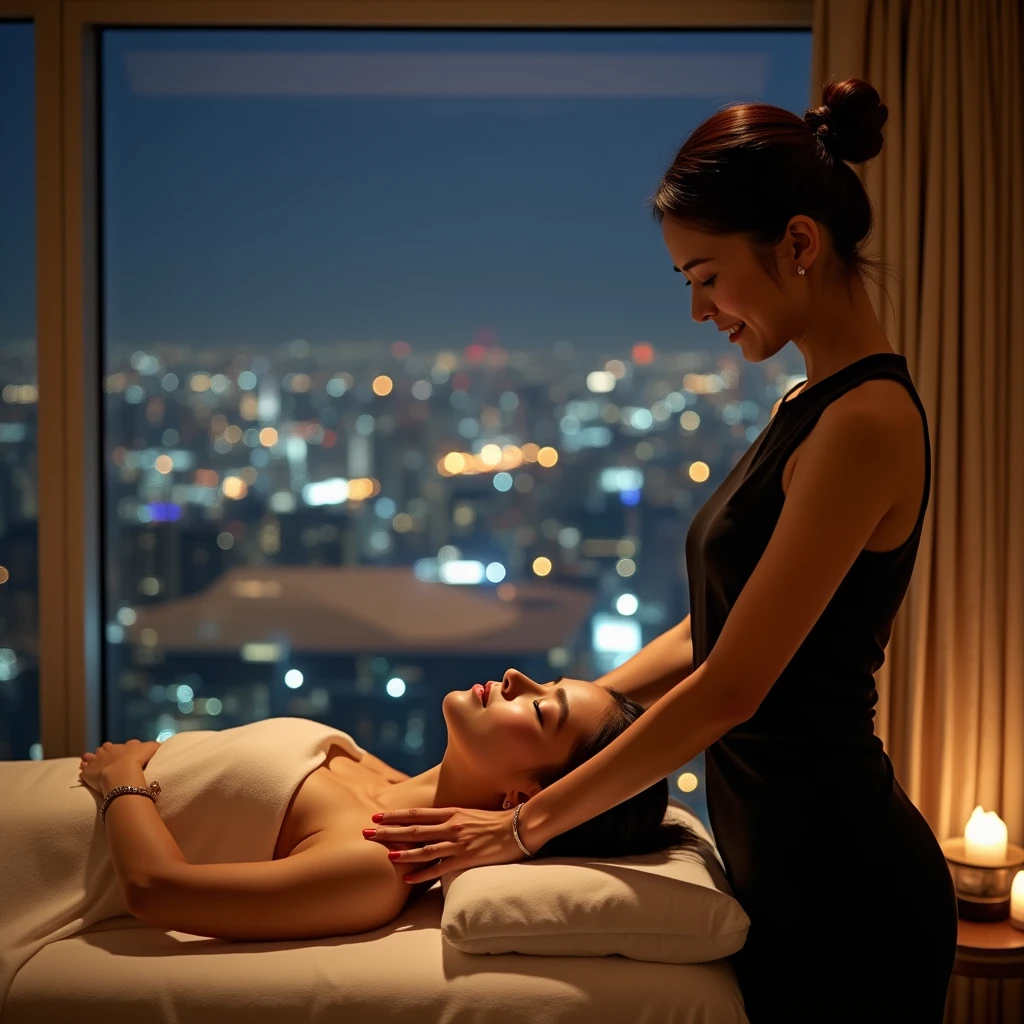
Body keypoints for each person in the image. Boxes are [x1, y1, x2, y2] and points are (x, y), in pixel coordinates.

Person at [362, 76, 958, 1022]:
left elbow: (735, 686)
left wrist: (520, 827)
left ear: (798, 244)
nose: (699, 312)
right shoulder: (810, 405)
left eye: (706, 277)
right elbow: (721, 627)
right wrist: (598, 698)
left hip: (849, 882)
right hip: (785, 862)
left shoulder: (868, 422)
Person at [72, 677, 696, 943]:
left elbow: (157, 891)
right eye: (543, 683)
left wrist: (123, 779)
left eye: (539, 709)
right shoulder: (380, 775)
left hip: (38, 858)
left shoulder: (375, 866)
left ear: (526, 799)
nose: (515, 677)